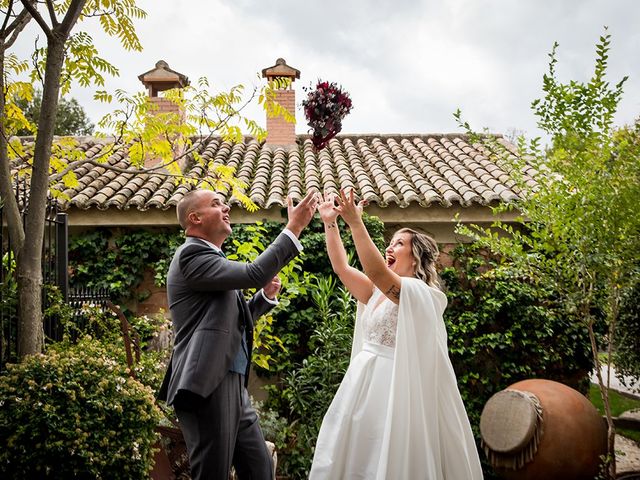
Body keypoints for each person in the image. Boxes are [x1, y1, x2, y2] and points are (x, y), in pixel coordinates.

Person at [309, 189, 483, 480]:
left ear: (415, 258)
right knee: (354, 459)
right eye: (389, 243)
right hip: (361, 386)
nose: (390, 248)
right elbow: (341, 267)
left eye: (399, 244)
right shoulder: (375, 293)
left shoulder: (420, 294)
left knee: (385, 457)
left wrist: (355, 223)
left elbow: (376, 271)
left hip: (393, 389)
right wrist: (330, 222)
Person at [157, 188, 318, 480]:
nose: (226, 207)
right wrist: (294, 228)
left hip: (231, 383)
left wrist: (263, 300)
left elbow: (229, 322)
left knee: (259, 469)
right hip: (207, 384)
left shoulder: (211, 258)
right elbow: (255, 273)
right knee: (213, 474)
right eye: (217, 204)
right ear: (195, 218)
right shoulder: (192, 255)